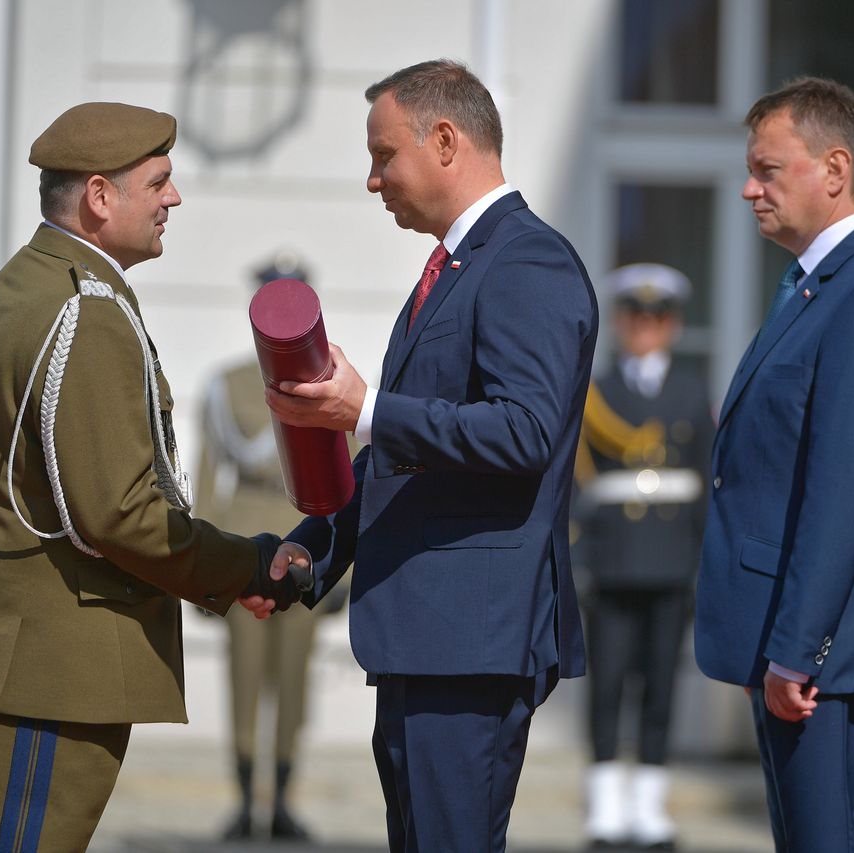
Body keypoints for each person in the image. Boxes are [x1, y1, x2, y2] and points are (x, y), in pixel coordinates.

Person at [0, 102, 297, 851]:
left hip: (12, 648)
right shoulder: (84, 309)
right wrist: (245, 562)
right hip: (48, 666)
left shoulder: (27, 281)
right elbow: (118, 514)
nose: (173, 199)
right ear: (98, 197)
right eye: (158, 182)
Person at [245, 59, 599, 853]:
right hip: (426, 635)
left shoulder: (526, 262)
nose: (373, 180)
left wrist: (364, 410)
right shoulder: (456, 266)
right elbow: (411, 460)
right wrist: (316, 543)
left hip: (470, 639)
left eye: (383, 155)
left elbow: (523, 431)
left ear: (445, 140)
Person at [693, 77, 854, 853]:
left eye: (767, 169)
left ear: (834, 170)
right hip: (796, 638)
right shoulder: (817, 283)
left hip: (823, 651)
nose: (747, 188)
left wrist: (798, 647)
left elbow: (843, 491)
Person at [572, 264, 713, 850]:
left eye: (657, 319)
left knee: (660, 682)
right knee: (607, 680)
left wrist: (704, 554)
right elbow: (579, 480)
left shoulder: (691, 388)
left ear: (673, 326)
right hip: (614, 555)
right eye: (636, 318)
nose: (646, 328)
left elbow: (705, 474)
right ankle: (605, 801)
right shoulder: (597, 389)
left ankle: (648, 802)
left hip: (671, 556)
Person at [195, 257, 321, 843]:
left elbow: (341, 478)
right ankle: (247, 800)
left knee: (294, 680)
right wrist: (201, 569)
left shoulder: (325, 381)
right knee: (244, 677)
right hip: (244, 540)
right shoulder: (227, 386)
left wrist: (340, 569)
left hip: (302, 541)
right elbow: (207, 480)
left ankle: (285, 800)